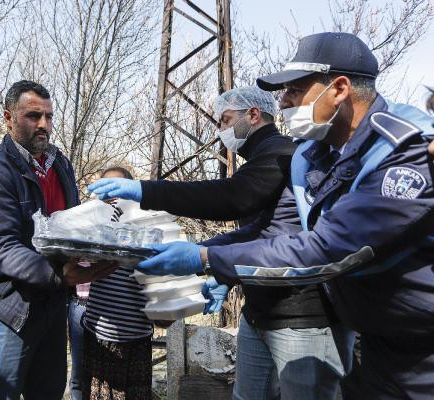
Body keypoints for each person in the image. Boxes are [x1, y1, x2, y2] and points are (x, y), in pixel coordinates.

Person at [135, 32, 434, 399]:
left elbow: (325, 247)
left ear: (338, 88)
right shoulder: (320, 156)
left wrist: (206, 257)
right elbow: (271, 228)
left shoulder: (401, 156)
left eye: (294, 90)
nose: (285, 102)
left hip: (417, 356)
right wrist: (214, 259)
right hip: (377, 344)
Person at [89, 86, 345, 399]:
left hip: (302, 317)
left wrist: (146, 191)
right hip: (260, 311)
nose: (221, 130)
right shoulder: (264, 158)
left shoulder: (281, 153)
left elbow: (232, 197)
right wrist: (224, 273)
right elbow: (263, 230)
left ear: (253, 115)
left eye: (225, 120)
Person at [0, 80, 117, 400]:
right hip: (10, 307)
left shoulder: (59, 164)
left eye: (48, 116)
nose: (44, 125)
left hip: (53, 300)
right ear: (9, 118)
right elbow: (3, 248)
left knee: (48, 391)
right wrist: (60, 274)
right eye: (34, 116)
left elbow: (70, 227)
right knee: (2, 393)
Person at [81, 166, 155, 400]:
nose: (112, 197)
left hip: (137, 338)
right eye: (106, 191)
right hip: (98, 335)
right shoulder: (93, 228)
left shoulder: (147, 227)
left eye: (118, 189)